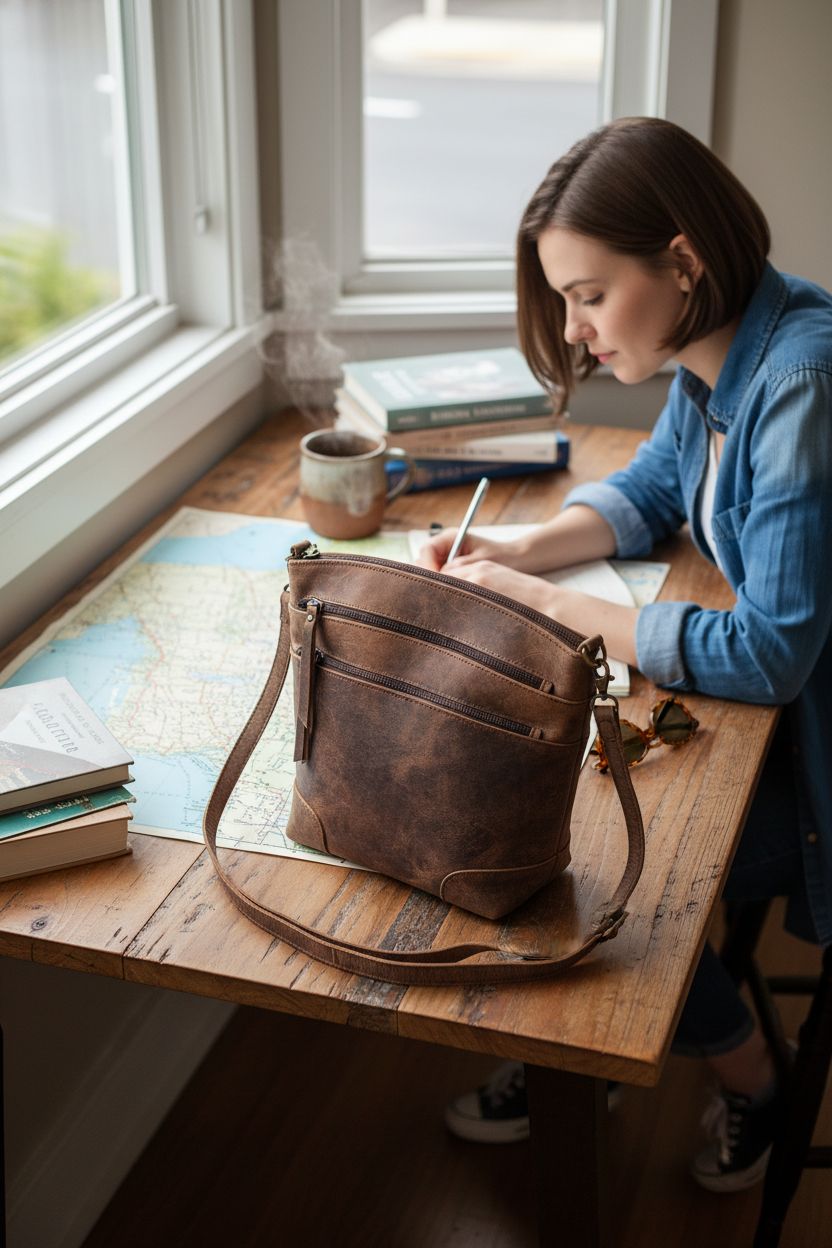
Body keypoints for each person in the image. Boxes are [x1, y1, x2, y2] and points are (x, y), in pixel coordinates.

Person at [418, 116, 832, 1192]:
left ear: (682, 259)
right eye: (564, 299)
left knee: (598, 887)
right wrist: (513, 545)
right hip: (792, 734)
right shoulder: (724, 351)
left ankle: (750, 1080)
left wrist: (536, 601)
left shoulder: (797, 384)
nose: (577, 328)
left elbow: (770, 653)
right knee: (570, 831)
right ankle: (587, 1054)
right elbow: (652, 492)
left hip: (820, 771)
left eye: (589, 295)